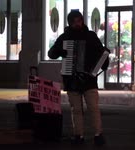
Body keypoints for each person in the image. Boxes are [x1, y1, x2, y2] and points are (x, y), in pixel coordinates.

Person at [48, 10, 109, 146]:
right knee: (76, 109)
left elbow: (102, 53)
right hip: (71, 79)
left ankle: (98, 135)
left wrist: (104, 61)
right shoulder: (64, 37)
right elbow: (51, 53)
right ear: (70, 23)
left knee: (93, 107)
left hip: (89, 79)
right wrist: (60, 52)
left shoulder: (91, 36)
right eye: (74, 22)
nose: (77, 24)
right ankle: (78, 136)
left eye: (79, 21)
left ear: (82, 21)